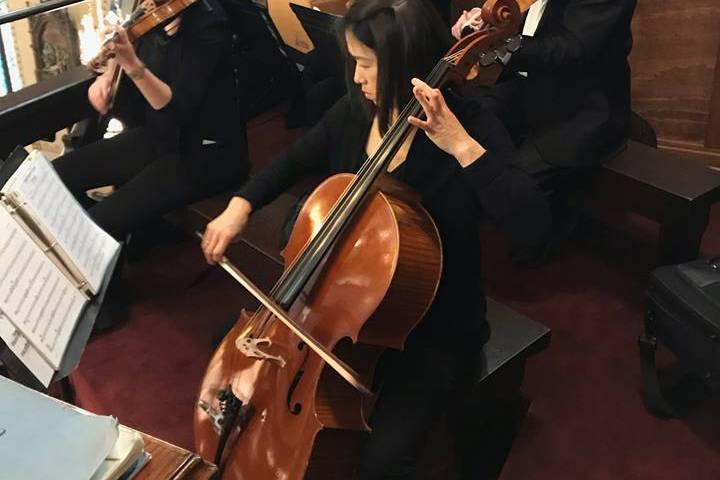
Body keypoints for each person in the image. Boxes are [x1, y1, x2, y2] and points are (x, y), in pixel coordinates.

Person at [202, 0, 549, 477]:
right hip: (340, 300)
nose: (357, 77)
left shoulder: (471, 125)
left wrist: (462, 146)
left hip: (431, 325)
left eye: (365, 64)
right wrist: (239, 207)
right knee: (229, 341)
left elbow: (532, 226)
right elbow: (295, 159)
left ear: (408, 68)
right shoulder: (359, 110)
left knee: (381, 462)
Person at [53, 0, 250, 241]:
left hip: (206, 153)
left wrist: (131, 64)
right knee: (57, 174)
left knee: (96, 227)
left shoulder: (210, 25)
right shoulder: (155, 12)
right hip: (160, 135)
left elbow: (176, 108)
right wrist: (107, 74)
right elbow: (129, 36)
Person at [452, 0, 637, 188]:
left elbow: (572, 48)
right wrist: (484, 20)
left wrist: (494, 44)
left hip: (580, 112)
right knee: (456, 121)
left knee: (506, 186)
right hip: (530, 89)